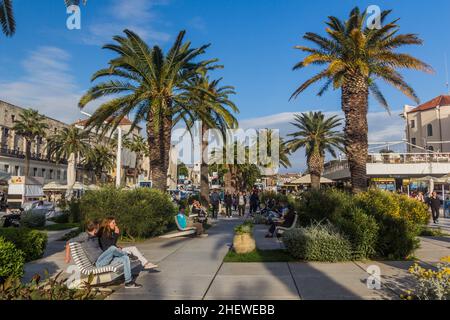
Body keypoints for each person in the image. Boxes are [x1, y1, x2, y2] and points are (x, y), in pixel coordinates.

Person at [65, 220, 142, 289]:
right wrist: (67, 256)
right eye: (98, 228)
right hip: (98, 262)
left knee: (125, 258)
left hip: (104, 259)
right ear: (95, 229)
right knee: (112, 248)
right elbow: (69, 242)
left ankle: (128, 282)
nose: (99, 229)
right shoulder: (84, 236)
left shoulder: (94, 236)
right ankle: (128, 254)